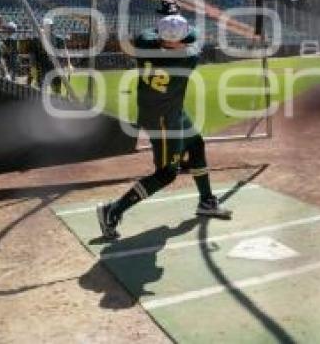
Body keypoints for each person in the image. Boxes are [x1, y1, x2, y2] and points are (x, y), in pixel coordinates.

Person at [97, 13, 231, 240]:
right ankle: (113, 210)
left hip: (163, 111)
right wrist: (170, 14)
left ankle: (206, 200)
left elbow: (153, 33)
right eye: (183, 38)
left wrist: (167, 15)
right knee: (166, 174)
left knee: (196, 144)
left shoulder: (143, 43)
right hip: (164, 121)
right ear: (175, 43)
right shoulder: (186, 59)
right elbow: (197, 37)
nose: (187, 40)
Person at [28, 18, 72, 94]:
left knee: (57, 91)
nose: (48, 28)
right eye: (46, 26)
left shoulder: (59, 39)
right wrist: (32, 67)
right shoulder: (37, 40)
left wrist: (69, 64)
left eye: (50, 26)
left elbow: (65, 52)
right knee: (41, 91)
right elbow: (32, 55)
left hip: (55, 69)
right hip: (42, 69)